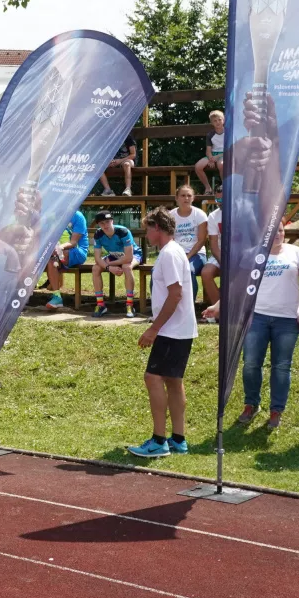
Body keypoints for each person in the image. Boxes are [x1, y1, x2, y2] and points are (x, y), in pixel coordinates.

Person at [202, 223, 299, 430]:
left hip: (287, 320)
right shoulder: (252, 255)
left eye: (281, 230)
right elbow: (236, 284)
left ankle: (276, 410)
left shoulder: (297, 253)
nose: (278, 234)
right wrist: (218, 306)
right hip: (256, 318)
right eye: (274, 230)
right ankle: (251, 404)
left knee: (281, 367)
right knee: (251, 364)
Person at [127, 209, 197, 458]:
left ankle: (159, 440)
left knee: (152, 377)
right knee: (173, 382)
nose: (146, 234)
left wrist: (154, 328)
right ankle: (178, 439)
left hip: (171, 330)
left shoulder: (169, 254)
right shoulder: (174, 251)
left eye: (148, 228)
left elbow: (175, 294)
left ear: (157, 227)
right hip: (179, 328)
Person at [90, 211, 137, 318]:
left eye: (107, 222)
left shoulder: (123, 231)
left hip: (133, 255)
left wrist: (111, 264)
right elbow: (97, 258)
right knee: (96, 268)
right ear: (98, 224)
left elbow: (129, 257)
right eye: (102, 223)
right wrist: (109, 267)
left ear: (112, 221)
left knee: (127, 267)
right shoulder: (98, 233)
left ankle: (130, 304)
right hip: (114, 256)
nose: (105, 225)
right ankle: (100, 304)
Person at [167, 185, 208, 301]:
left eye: (189, 196)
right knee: (157, 271)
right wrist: (177, 255)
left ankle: (190, 307)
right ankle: (159, 309)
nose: (186, 198)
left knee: (188, 270)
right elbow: (169, 239)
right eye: (183, 195)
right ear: (176, 198)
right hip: (176, 254)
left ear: (193, 198)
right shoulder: (171, 215)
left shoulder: (200, 214)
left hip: (197, 254)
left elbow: (201, 240)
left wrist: (187, 257)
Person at [44, 211, 89, 310]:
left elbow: (73, 242)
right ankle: (23, 293)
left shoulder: (77, 216)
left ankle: (57, 297)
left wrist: (60, 248)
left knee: (52, 258)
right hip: (55, 252)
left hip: (77, 251)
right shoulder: (51, 215)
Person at [200, 185, 224, 313]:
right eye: (217, 200)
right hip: (220, 253)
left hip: (240, 254)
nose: (219, 203)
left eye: (222, 200)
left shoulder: (243, 212)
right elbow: (214, 246)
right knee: (206, 273)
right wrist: (224, 263)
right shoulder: (214, 216)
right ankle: (219, 312)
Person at [194, 110, 226, 194]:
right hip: (213, 155)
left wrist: (217, 157)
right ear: (212, 123)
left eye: (219, 119)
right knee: (198, 166)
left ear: (223, 120)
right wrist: (211, 158)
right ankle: (208, 188)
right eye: (215, 121)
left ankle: (224, 186)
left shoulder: (229, 132)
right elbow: (208, 151)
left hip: (225, 154)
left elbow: (231, 149)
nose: (218, 122)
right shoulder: (210, 135)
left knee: (221, 164)